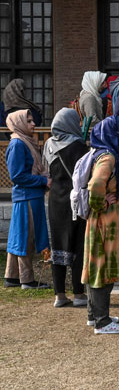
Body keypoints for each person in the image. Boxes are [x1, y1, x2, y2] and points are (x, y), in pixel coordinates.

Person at [82, 116, 119, 334]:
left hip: (104, 221)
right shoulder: (108, 157)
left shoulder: (104, 153)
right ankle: (102, 321)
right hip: (106, 223)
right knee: (102, 267)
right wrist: (101, 204)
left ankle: (95, 316)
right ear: (112, 133)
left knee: (96, 265)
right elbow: (95, 184)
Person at [43, 108, 89, 307]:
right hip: (75, 200)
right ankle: (79, 294)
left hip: (55, 201)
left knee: (58, 246)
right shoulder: (78, 146)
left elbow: (48, 172)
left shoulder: (48, 145)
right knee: (78, 244)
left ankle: (59, 295)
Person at [3, 110, 50, 289]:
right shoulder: (18, 144)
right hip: (26, 197)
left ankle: (12, 276)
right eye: (29, 121)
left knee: (18, 236)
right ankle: (26, 279)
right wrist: (44, 180)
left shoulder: (24, 142)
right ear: (19, 123)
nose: (33, 124)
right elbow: (17, 176)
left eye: (32, 121)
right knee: (25, 238)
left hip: (30, 196)